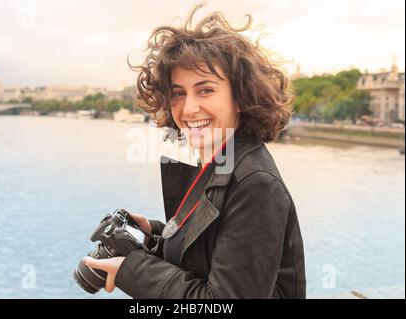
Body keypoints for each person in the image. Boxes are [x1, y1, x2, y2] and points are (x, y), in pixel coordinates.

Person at [83, 4, 306, 298]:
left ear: (240, 97)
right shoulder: (222, 162)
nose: (188, 108)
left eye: (205, 90)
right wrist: (152, 236)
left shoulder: (256, 184)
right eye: (178, 93)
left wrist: (132, 271)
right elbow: (212, 257)